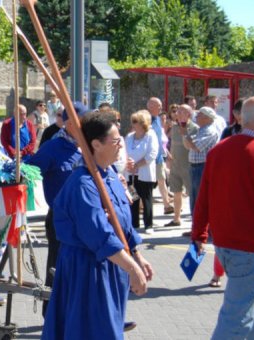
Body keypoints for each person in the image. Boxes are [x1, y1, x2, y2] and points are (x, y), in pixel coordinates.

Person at [42, 110, 152, 340]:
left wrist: (136, 254)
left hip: (111, 266)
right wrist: (131, 268)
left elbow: (122, 220)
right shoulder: (83, 184)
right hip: (87, 271)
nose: (121, 145)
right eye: (115, 141)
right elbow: (98, 234)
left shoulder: (109, 175)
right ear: (96, 144)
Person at [191, 96, 254, 339]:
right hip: (250, 248)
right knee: (236, 319)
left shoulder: (219, 150)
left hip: (224, 245)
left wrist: (199, 233)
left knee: (253, 308)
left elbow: (203, 199)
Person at [26, 101, 86, 317]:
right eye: (82, 122)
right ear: (69, 123)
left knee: (84, 269)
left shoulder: (86, 147)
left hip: (84, 219)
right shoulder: (53, 147)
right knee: (58, 268)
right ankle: (50, 314)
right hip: (60, 219)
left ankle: (84, 316)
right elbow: (29, 171)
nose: (85, 126)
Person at [125, 110, 159, 234]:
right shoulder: (129, 137)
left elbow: (152, 154)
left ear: (143, 123)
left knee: (146, 199)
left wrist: (137, 165)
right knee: (133, 198)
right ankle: (134, 223)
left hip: (144, 173)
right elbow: (123, 152)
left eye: (135, 121)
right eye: (132, 121)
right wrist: (128, 163)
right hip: (130, 173)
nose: (133, 124)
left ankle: (148, 225)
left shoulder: (151, 135)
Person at [182, 106, 220, 216]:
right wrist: (186, 136)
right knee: (194, 197)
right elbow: (188, 145)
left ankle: (201, 228)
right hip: (195, 167)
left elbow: (196, 147)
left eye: (200, 115)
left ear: (207, 118)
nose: (196, 117)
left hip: (202, 167)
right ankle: (195, 226)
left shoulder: (210, 131)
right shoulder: (200, 130)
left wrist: (185, 134)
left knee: (200, 197)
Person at [164, 105, 198, 228]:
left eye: (181, 111)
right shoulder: (174, 128)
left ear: (189, 114)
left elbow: (194, 146)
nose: (177, 113)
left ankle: (195, 222)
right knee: (176, 192)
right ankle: (176, 218)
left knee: (192, 195)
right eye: (177, 111)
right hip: (175, 165)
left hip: (188, 166)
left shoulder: (194, 128)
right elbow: (171, 145)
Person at [146, 97, 173, 215]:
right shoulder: (145, 118)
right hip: (148, 157)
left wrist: (165, 151)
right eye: (158, 105)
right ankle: (141, 205)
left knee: (161, 180)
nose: (161, 108)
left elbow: (159, 138)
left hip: (158, 156)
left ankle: (167, 205)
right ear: (150, 106)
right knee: (147, 183)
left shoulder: (157, 119)